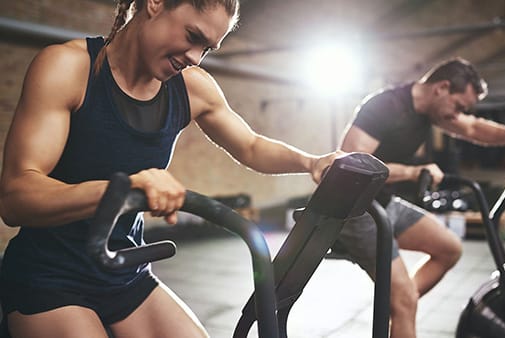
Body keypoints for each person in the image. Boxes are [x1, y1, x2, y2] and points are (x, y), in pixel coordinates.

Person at [0, 1, 342, 337]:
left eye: (207, 48)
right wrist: (125, 188)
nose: (195, 57)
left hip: (124, 271)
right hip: (48, 275)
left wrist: (312, 162)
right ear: (155, 3)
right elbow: (16, 197)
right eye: (192, 35)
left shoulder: (193, 87)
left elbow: (251, 146)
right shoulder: (68, 68)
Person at [337, 57, 505, 338]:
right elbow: (349, 164)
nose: (457, 115)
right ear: (442, 88)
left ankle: (400, 302)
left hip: (384, 202)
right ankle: (401, 303)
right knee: (404, 301)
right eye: (458, 106)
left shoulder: (429, 112)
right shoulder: (385, 106)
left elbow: (474, 128)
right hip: (353, 209)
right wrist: (413, 172)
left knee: (449, 248)